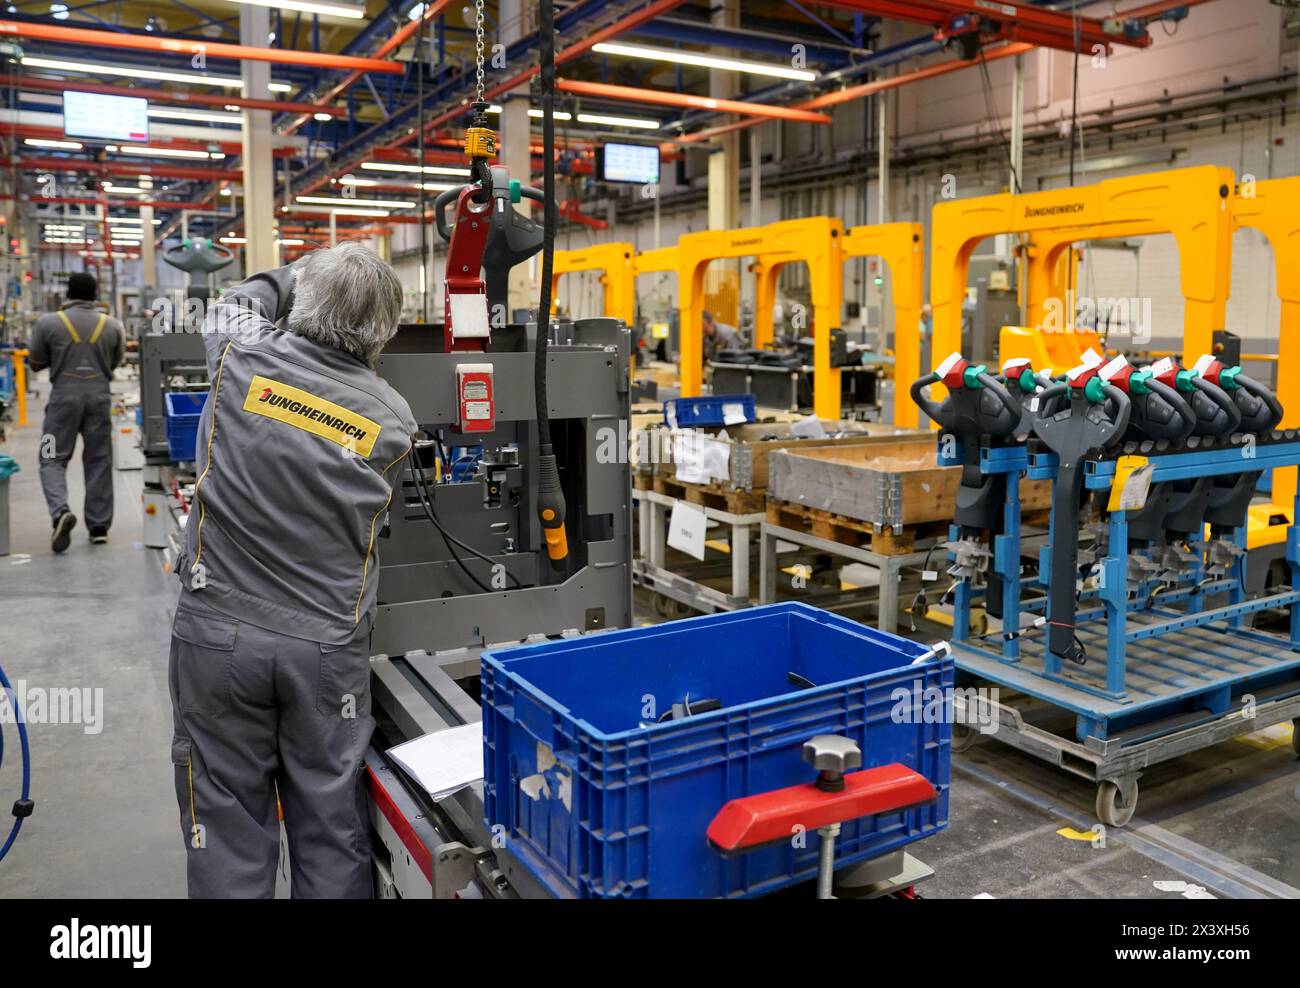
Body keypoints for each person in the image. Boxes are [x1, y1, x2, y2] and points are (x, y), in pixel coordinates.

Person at [168, 243, 417, 898]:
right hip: (324, 654)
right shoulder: (394, 420)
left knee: (225, 815)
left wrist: (298, 272)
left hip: (216, 633)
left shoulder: (236, 353)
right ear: (385, 332)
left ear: (302, 301)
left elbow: (238, 300)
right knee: (330, 821)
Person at [27, 272, 125, 552]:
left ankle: (60, 512)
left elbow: (34, 361)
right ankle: (98, 527)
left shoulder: (48, 323)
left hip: (62, 402)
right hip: (99, 399)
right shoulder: (112, 325)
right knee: (99, 460)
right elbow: (115, 362)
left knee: (50, 458)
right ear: (95, 294)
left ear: (67, 295)